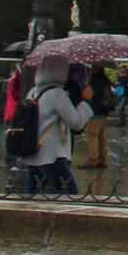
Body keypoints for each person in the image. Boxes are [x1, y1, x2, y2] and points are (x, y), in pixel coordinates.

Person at [23, 60, 91, 196]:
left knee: (31, 196)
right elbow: (76, 122)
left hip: (33, 149)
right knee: (70, 194)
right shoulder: (57, 94)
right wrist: (85, 104)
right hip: (52, 154)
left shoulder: (32, 92)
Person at [80, 64, 115, 170]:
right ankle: (102, 159)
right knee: (102, 136)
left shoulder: (94, 80)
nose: (91, 69)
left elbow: (90, 95)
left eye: (92, 67)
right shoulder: (105, 79)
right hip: (104, 110)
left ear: (96, 68)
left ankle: (92, 159)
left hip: (95, 110)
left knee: (93, 135)